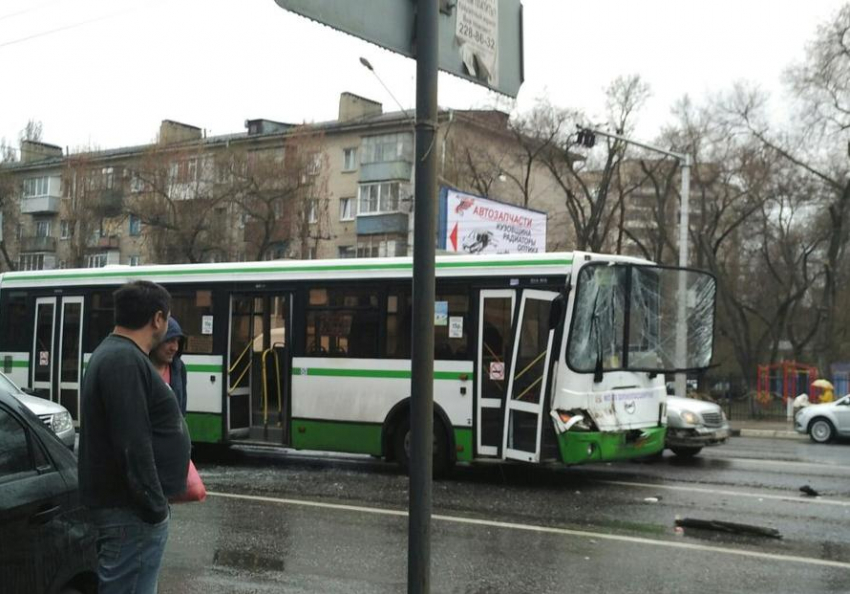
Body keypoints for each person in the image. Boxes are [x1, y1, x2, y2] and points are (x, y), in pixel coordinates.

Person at [79, 280, 191, 594]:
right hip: (131, 514)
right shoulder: (123, 360)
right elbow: (132, 442)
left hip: (130, 512)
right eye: (168, 318)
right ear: (157, 319)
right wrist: (155, 509)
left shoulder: (119, 355)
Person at [150, 317, 188, 416]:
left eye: (177, 341)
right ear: (156, 341)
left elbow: (182, 407)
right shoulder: (141, 368)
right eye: (169, 340)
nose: (174, 348)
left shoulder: (179, 368)